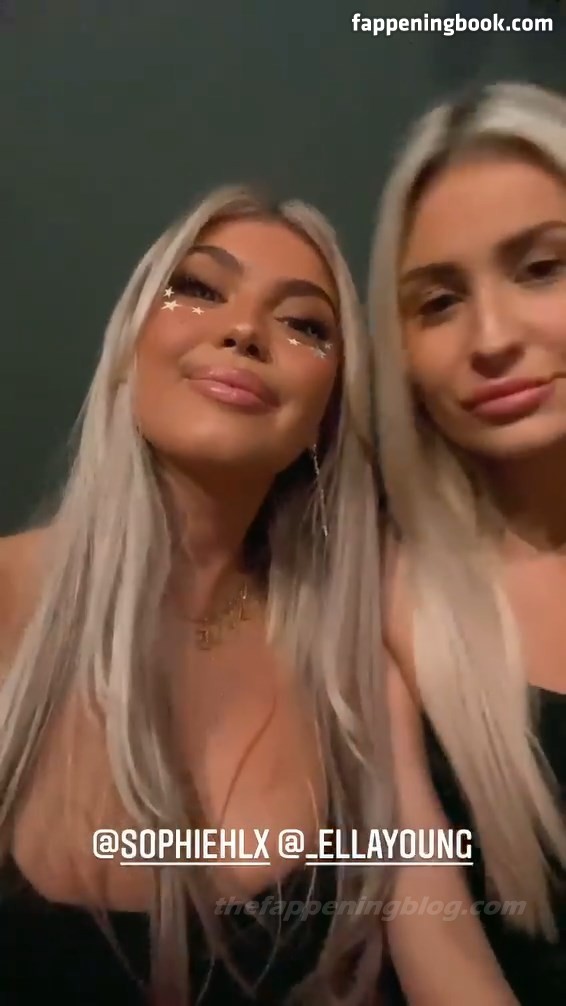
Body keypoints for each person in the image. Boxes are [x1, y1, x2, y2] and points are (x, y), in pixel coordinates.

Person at [0, 186, 392, 1004]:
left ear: (326, 417)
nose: (244, 331)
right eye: (199, 288)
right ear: (128, 349)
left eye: (305, 325)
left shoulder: (360, 659)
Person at [369, 82, 566, 1004]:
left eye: (542, 268)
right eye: (440, 302)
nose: (490, 339)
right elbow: (443, 955)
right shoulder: (387, 609)